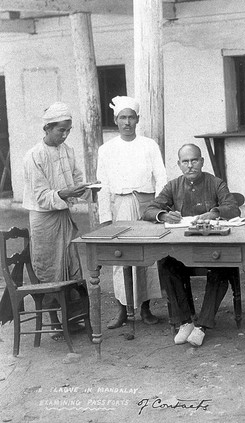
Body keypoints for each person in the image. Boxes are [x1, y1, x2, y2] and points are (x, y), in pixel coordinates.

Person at [142, 144, 241, 346]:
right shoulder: (173, 186)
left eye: (194, 160)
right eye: (185, 162)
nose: (190, 166)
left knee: (222, 267)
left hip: (213, 245)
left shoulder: (216, 183)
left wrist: (215, 212)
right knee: (167, 264)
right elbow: (149, 210)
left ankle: (202, 326)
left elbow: (233, 208)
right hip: (183, 248)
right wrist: (163, 214)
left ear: (202, 162)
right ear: (179, 165)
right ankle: (185, 321)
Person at [21, 102, 93, 336]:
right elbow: (41, 196)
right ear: (48, 128)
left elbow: (75, 176)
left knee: (71, 264)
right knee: (51, 269)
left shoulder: (67, 151)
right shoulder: (34, 156)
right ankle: (53, 320)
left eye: (68, 130)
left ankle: (71, 318)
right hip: (44, 221)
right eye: (61, 130)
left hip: (63, 214)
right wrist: (64, 193)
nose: (65, 135)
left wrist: (82, 188)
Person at [97, 96, 167, 329]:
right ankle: (123, 309)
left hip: (147, 205)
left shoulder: (149, 145)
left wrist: (159, 207)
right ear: (116, 120)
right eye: (122, 117)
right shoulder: (106, 149)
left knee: (146, 256)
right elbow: (103, 184)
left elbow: (161, 177)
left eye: (131, 117)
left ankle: (146, 308)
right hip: (121, 205)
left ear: (137, 120)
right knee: (121, 256)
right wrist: (106, 217)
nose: (127, 122)